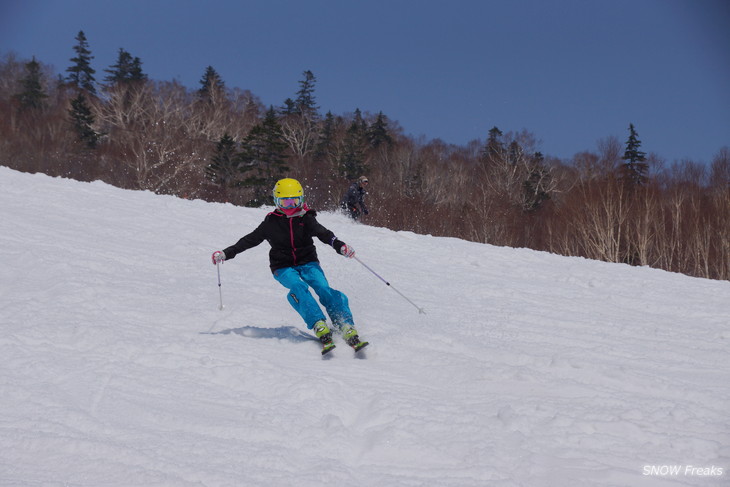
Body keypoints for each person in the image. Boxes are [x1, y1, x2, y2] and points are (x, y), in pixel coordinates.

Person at [211, 178, 368, 355]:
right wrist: (226, 253)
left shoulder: (306, 218)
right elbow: (250, 240)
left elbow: (324, 234)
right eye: (284, 202)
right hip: (282, 266)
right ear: (276, 202)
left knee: (323, 288)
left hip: (308, 262)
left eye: (294, 201)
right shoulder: (271, 222)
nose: (290, 206)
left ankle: (345, 323)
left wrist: (340, 246)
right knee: (298, 287)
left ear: (301, 200)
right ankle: (318, 323)